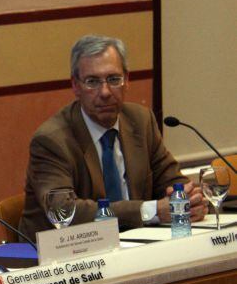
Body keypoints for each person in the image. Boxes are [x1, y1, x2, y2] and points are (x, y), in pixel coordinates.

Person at [19, 35, 207, 240]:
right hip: (65, 252)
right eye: (92, 82)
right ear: (75, 86)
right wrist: (148, 211)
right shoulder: (52, 140)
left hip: (137, 244)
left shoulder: (140, 121)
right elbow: (64, 211)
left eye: (114, 79)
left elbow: (172, 181)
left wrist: (190, 200)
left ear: (127, 80)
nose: (105, 92)